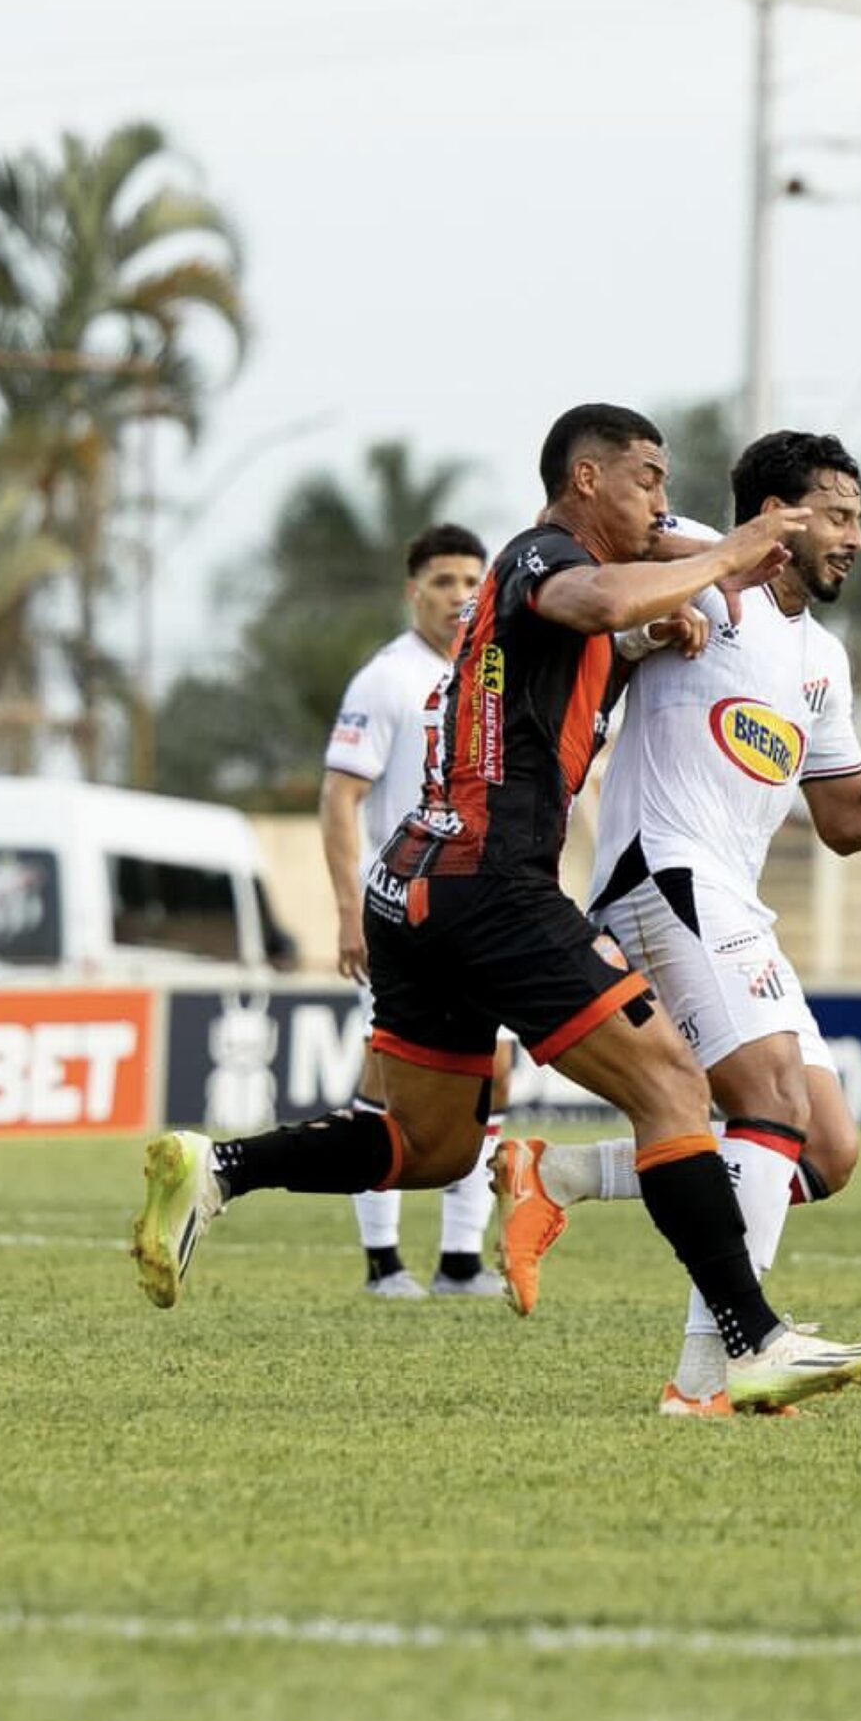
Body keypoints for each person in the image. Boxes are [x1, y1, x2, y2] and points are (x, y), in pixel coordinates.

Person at [132, 402, 861, 1413]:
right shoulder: (540, 558)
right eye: (646, 480)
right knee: (671, 1081)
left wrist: (655, 620)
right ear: (586, 480)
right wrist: (734, 552)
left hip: (422, 880)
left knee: (432, 1143)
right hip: (492, 881)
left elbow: (598, 629)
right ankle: (748, 1341)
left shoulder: (590, 592)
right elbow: (585, 599)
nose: (662, 502)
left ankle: (219, 1166)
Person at [490, 429, 861, 1415]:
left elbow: (845, 818)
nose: (854, 537)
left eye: (859, 518)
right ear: (780, 517)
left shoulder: (820, 660)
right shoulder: (708, 591)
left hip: (733, 900)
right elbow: (631, 534)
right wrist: (692, 583)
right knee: (767, 1095)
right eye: (837, 515)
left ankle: (562, 1174)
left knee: (824, 1151)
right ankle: (708, 1378)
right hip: (662, 876)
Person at [319, 522, 505, 1299]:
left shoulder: (488, 671)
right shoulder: (386, 680)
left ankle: (461, 1259)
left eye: (472, 581)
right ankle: (381, 1260)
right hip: (400, 914)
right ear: (413, 591)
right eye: (443, 581)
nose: (460, 596)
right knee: (390, 1077)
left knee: (489, 1069)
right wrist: (347, 907)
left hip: (475, 909)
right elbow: (340, 798)